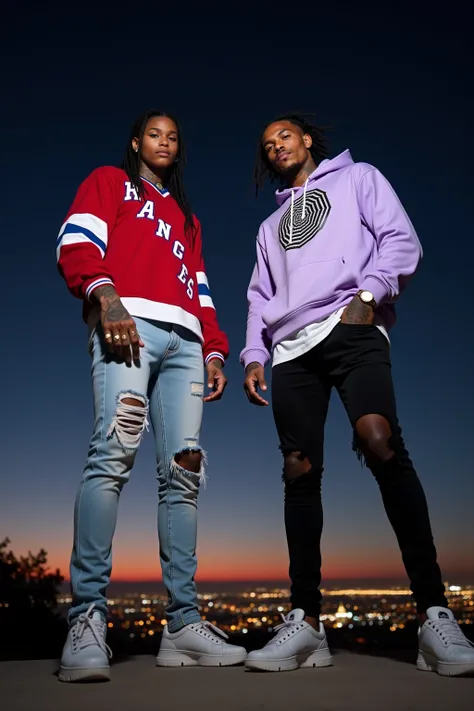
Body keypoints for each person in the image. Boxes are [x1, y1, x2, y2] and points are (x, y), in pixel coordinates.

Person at [240, 113, 474, 676]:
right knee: (300, 469)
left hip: (351, 326)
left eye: (285, 136)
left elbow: (400, 239)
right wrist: (254, 353)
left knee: (379, 440)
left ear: (307, 139)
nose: (278, 147)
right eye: (268, 145)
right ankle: (306, 623)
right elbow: (258, 294)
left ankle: (435, 615)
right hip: (291, 348)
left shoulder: (358, 177)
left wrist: (369, 294)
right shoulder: (269, 229)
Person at [56, 109, 246, 682]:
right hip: (128, 324)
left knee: (183, 473)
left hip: (187, 341)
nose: (164, 142)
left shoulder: (187, 217)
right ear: (136, 141)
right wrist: (105, 297)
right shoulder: (110, 183)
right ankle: (86, 617)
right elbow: (77, 242)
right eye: (154, 134)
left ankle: (183, 626)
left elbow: (202, 285)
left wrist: (214, 347)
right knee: (113, 453)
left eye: (173, 137)